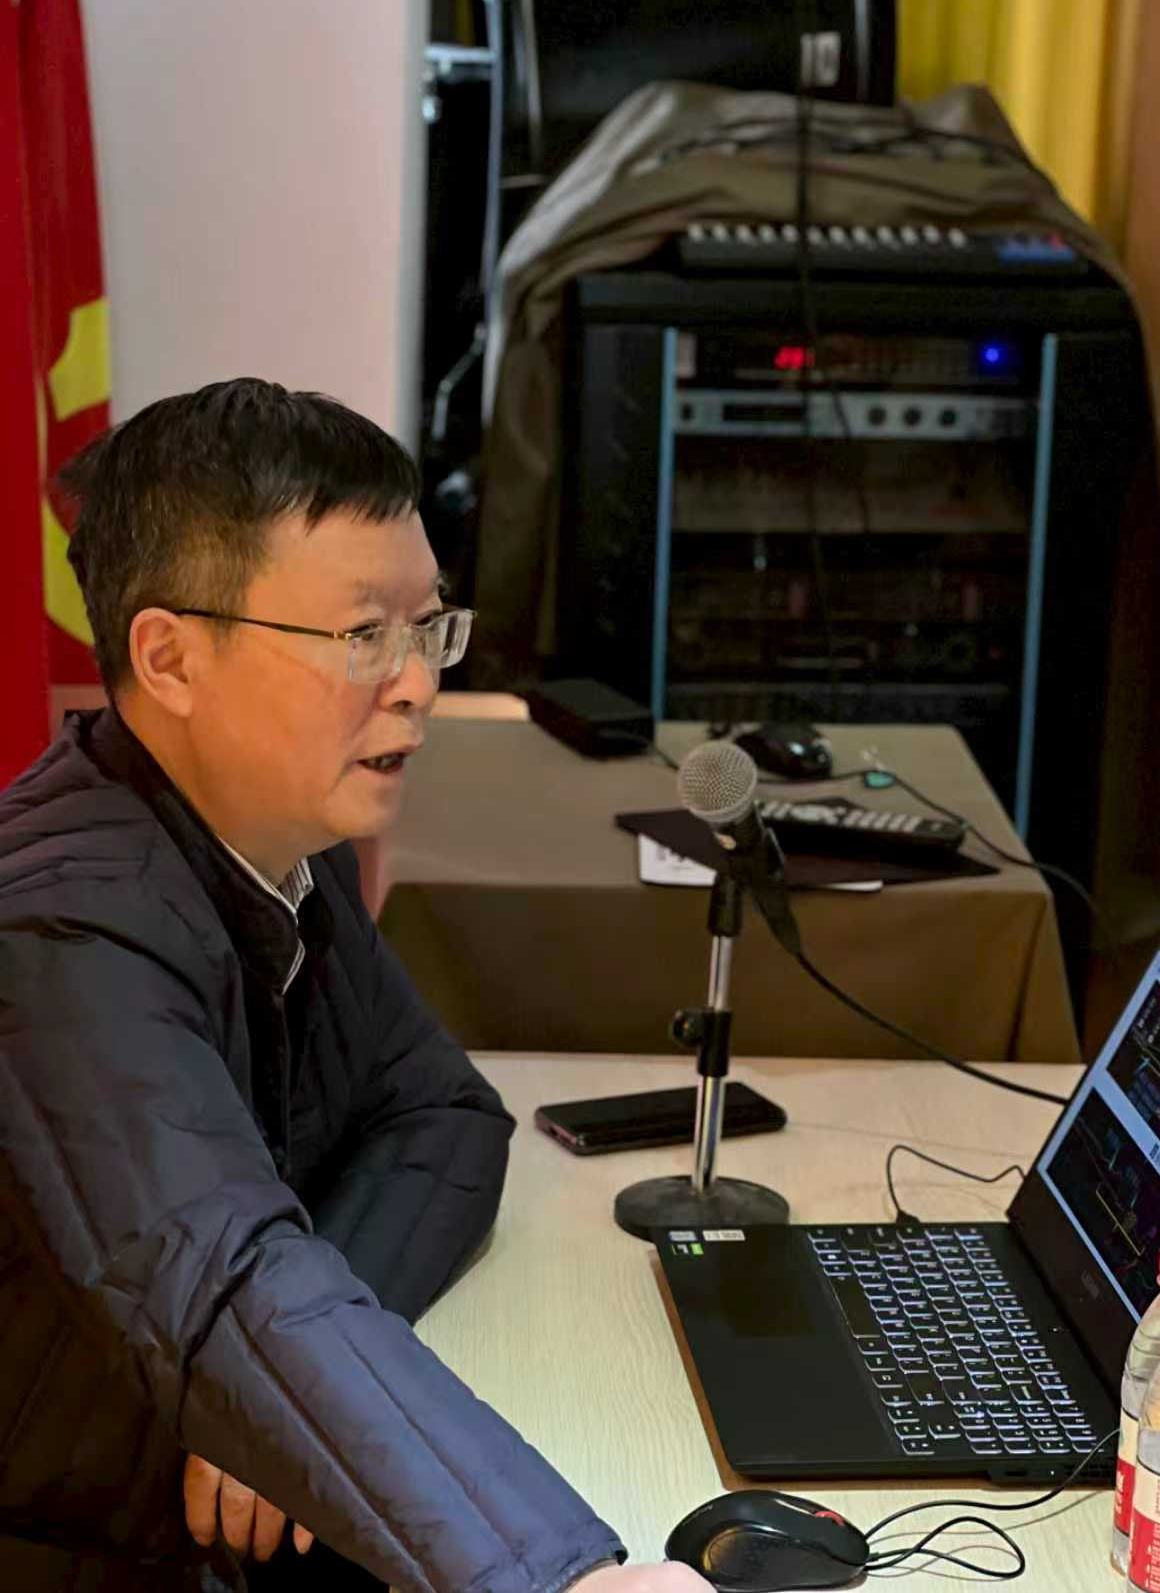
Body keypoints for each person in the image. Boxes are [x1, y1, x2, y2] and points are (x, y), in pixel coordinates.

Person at [0, 380, 705, 1593]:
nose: (416, 681)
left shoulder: (283, 840)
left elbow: (442, 1114)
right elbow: (217, 1274)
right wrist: (567, 1580)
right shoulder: (56, 930)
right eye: (361, 635)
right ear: (169, 657)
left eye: (426, 627)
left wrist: (283, 1401)